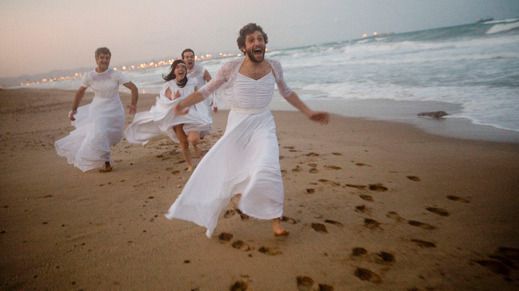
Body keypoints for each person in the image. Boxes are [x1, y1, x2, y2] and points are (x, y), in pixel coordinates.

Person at [165, 23, 329, 238]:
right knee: (234, 169)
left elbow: (287, 92)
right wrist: (183, 103)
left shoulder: (275, 66)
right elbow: (206, 90)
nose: (257, 43)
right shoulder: (230, 68)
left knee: (268, 167)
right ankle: (237, 198)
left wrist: (309, 112)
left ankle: (275, 220)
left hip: (263, 122)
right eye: (251, 40)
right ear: (244, 47)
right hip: (239, 123)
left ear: (265, 43)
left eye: (260, 39)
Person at [55, 47, 138, 172]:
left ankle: (105, 158)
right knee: (100, 133)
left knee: (112, 136)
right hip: (98, 109)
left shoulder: (115, 74)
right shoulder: (89, 76)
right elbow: (80, 93)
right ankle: (106, 163)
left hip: (115, 109)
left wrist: (133, 104)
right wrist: (74, 110)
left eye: (107, 58)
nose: (104, 60)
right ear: (96, 59)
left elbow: (134, 88)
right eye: (102, 58)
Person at [125, 60, 211, 171]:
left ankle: (195, 145)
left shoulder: (192, 82)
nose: (181, 69)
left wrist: (207, 105)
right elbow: (167, 99)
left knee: (194, 139)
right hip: (176, 117)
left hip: (190, 115)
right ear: (174, 71)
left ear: (186, 70)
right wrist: (174, 99)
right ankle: (190, 165)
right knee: (184, 143)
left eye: (183, 67)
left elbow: (197, 97)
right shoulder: (169, 85)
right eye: (178, 67)